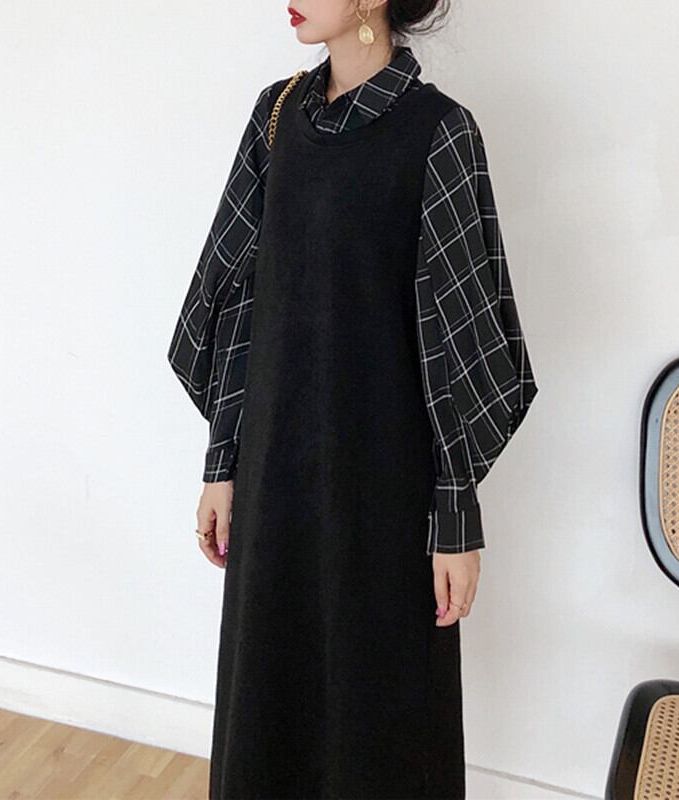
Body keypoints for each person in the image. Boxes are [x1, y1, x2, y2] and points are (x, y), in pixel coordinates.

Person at [167, 1, 538, 797]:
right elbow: (237, 306)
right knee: (268, 707)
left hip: (385, 498)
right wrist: (222, 465)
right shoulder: (275, 117)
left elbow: (459, 341)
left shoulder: (438, 133)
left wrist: (454, 520)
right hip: (275, 478)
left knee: (383, 726)